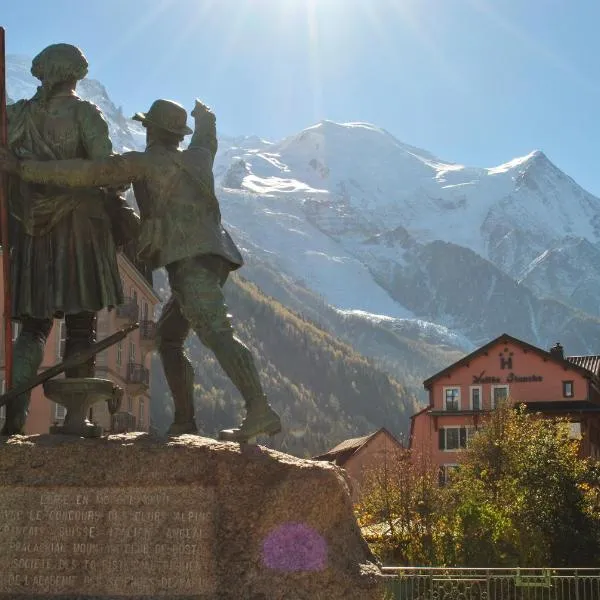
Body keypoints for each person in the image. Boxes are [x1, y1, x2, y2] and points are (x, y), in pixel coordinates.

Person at [0, 98, 282, 442]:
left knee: (216, 331)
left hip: (189, 259)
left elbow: (86, 173)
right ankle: (184, 421)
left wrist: (23, 169)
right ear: (177, 134)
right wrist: (204, 114)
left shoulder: (144, 164)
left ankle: (259, 409)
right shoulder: (199, 156)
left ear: (152, 131)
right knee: (168, 338)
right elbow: (208, 136)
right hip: (213, 254)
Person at [2, 43, 130, 435]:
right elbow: (106, 172)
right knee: (80, 324)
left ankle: (13, 421)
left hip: (34, 232)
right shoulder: (85, 115)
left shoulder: (16, 116)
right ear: (73, 74)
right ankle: (76, 420)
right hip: (81, 227)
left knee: (34, 328)